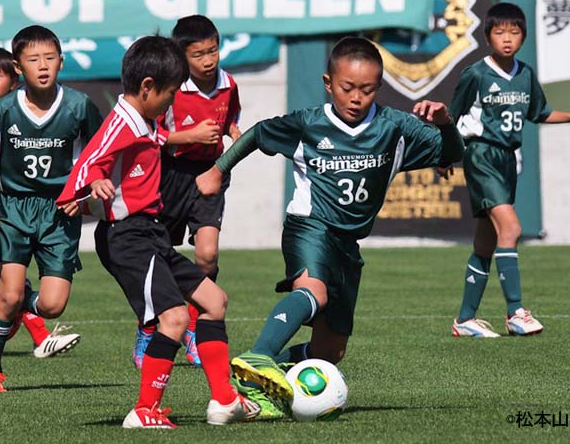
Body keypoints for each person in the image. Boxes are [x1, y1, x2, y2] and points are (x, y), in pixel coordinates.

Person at [195, 36, 465, 417]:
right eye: (347, 88)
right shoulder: (308, 123)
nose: (356, 97)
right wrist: (217, 170)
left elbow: (453, 153)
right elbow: (257, 134)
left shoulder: (396, 127)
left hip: (347, 244)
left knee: (330, 352)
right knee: (314, 292)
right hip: (310, 227)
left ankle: (256, 386)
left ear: (379, 88)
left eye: (367, 90)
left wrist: (444, 122)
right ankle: (259, 356)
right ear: (328, 83)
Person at [57, 36, 259, 428]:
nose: (172, 103)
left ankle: (223, 401)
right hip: (127, 238)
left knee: (214, 301)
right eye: (169, 94)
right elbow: (89, 162)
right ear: (148, 87)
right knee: (175, 318)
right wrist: (89, 186)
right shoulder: (120, 123)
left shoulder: (144, 122)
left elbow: (156, 141)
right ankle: (144, 410)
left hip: (151, 233)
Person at [448, 3, 570, 338]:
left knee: (486, 241)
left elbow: (540, 112)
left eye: (514, 32)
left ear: (523, 36)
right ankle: (515, 312)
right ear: (488, 35)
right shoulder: (476, 74)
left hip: (508, 160)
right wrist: (444, 156)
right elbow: (452, 118)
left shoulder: (525, 74)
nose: (507, 39)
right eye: (500, 32)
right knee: (512, 227)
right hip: (482, 156)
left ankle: (464, 319)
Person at [132, 15, 242, 369]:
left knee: (207, 255)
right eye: (199, 55)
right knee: (159, 256)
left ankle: (195, 326)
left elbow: (230, 119)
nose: (209, 60)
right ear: (183, 57)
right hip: (170, 177)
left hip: (210, 175)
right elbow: (155, 138)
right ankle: (148, 326)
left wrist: (234, 134)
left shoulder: (228, 84)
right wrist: (190, 137)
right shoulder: (173, 89)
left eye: (213, 51)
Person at [0, 27, 102, 392]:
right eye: (33, 59)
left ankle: (17, 309)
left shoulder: (78, 105)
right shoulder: (4, 108)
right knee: (7, 294)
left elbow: (99, 152)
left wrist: (85, 191)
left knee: (54, 305)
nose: (43, 66)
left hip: (59, 212)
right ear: (18, 66)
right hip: (13, 208)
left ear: (61, 60)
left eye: (50, 58)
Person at [0, 47, 81, 360]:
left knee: (19, 293)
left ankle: (36, 327)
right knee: (10, 291)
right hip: (8, 210)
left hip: (25, 211)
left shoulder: (53, 110)